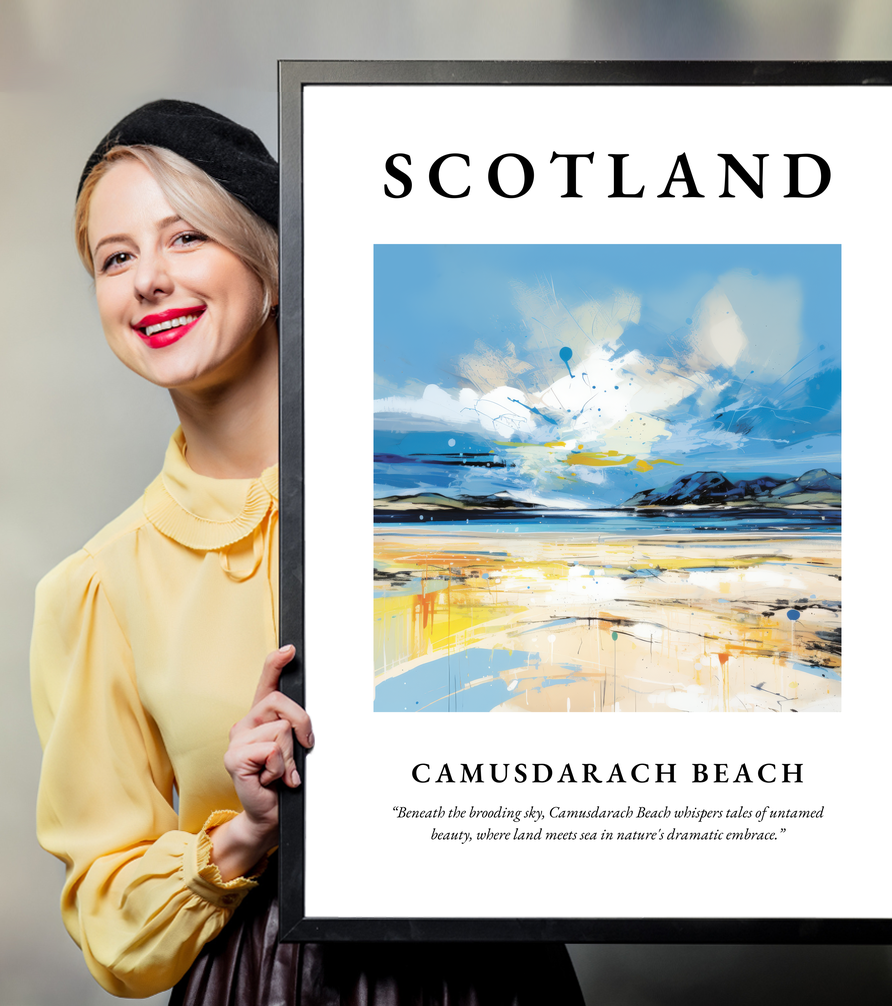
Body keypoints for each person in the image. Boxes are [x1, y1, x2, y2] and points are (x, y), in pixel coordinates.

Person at [30, 100, 586, 1004]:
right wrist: (245, 832)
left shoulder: (453, 495)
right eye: (116, 257)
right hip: (262, 982)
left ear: (273, 263)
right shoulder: (97, 587)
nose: (148, 281)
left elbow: (625, 682)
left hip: (492, 973)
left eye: (185, 239)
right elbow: (110, 923)